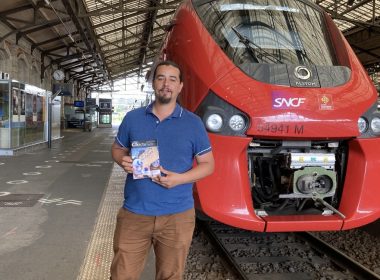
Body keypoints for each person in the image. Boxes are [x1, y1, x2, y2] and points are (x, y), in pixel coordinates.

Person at [110, 60, 215, 280]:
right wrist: (122, 160)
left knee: (170, 276)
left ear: (180, 87)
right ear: (153, 83)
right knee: (121, 275)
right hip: (135, 214)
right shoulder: (133, 118)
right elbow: (117, 148)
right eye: (160, 78)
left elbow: (208, 165)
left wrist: (180, 179)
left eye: (172, 79)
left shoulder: (193, 123)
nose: (166, 84)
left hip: (177, 217)